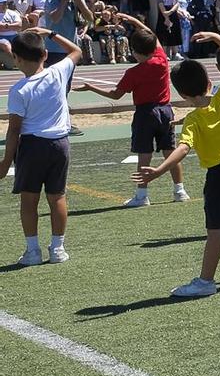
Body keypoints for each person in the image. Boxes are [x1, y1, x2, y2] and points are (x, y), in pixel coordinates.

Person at [136, 33, 220, 298]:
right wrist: (217, 37)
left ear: (181, 94)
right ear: (209, 82)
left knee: (216, 229)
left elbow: (183, 148)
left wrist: (160, 170)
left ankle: (206, 281)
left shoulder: (193, 120)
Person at [75, 17, 188, 207]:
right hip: (166, 111)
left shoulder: (133, 72)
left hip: (145, 114)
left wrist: (91, 87)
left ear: (134, 51)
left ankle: (142, 195)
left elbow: (115, 95)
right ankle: (180, 190)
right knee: (170, 153)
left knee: (144, 154)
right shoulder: (161, 60)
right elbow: (152, 35)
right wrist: (134, 20)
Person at [0, 29, 80, 266]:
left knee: (29, 200)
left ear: (15, 58)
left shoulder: (19, 90)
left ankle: (32, 251)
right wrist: (52, 33)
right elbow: (76, 51)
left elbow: (14, 130)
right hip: (60, 144)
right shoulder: (58, 72)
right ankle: (58, 248)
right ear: (45, 54)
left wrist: (5, 163)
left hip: (32, 146)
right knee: (57, 197)